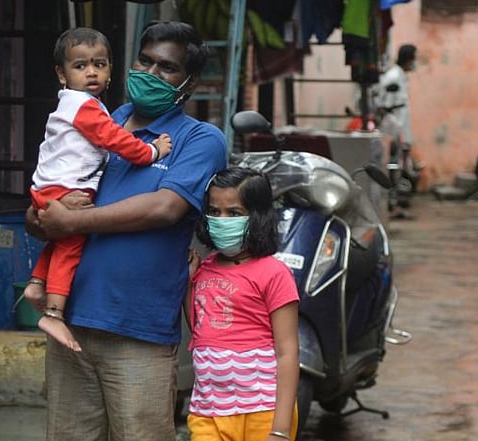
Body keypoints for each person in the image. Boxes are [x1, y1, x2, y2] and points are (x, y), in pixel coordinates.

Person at [27, 21, 227, 441]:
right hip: (71, 322)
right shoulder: (101, 119)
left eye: (167, 68)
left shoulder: (200, 140)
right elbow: (47, 201)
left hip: (138, 331)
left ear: (188, 84)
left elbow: (165, 208)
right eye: (145, 60)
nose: (151, 74)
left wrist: (71, 221)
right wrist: (43, 216)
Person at [25, 27, 172, 352]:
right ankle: (53, 313)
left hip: (48, 188)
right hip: (66, 189)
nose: (91, 72)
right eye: (80, 66)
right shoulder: (86, 108)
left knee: (63, 238)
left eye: (100, 64)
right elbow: (116, 141)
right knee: (72, 243)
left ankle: (37, 283)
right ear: (61, 74)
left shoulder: (72, 104)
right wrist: (152, 152)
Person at [185, 167, 300, 441]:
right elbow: (201, 329)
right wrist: (188, 283)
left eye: (234, 213)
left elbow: (288, 353)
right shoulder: (204, 268)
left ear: (258, 217)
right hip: (207, 410)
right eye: (214, 212)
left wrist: (281, 429)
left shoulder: (274, 273)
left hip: (263, 411)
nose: (222, 220)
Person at [376, 44, 418, 219]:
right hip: (392, 127)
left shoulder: (400, 77)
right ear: (408, 58)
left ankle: (395, 204)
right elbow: (383, 102)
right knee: (392, 166)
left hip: (399, 126)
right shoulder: (393, 77)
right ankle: (391, 205)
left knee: (399, 166)